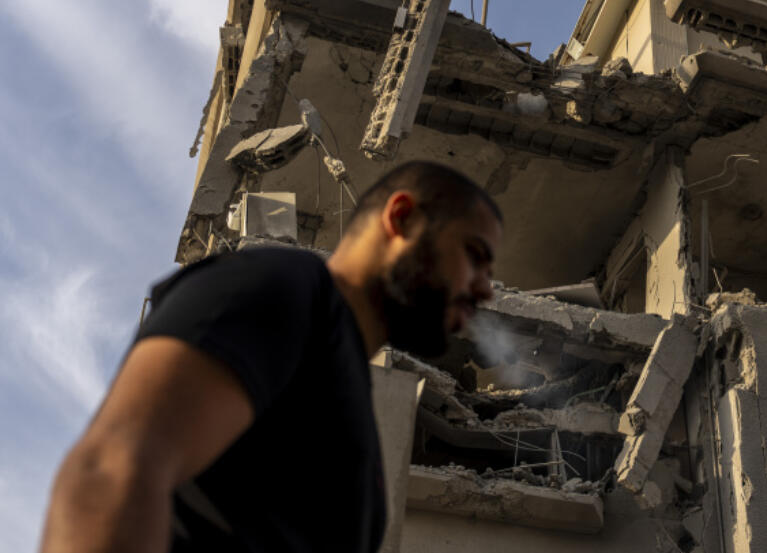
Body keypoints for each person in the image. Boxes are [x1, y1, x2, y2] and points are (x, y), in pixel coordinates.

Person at [39, 161, 502, 553]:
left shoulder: (350, 395)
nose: (486, 288)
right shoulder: (284, 287)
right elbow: (111, 473)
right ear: (401, 219)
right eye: (474, 254)